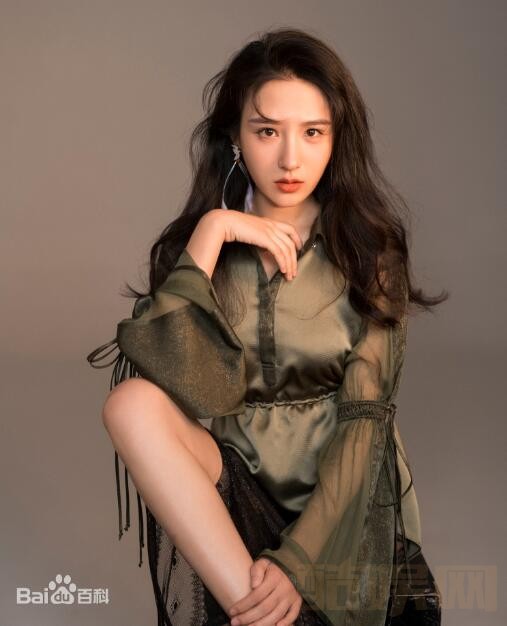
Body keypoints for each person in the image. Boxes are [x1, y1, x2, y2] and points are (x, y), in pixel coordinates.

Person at [86, 27, 445, 626]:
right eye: (267, 131)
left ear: (337, 138)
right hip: (237, 506)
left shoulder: (370, 253)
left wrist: (296, 561)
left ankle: (264, 607)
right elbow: (170, 382)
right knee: (130, 403)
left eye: (313, 132)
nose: (290, 159)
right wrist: (214, 231)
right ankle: (263, 612)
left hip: (341, 516)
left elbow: (365, 428)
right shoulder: (199, 250)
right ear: (235, 136)